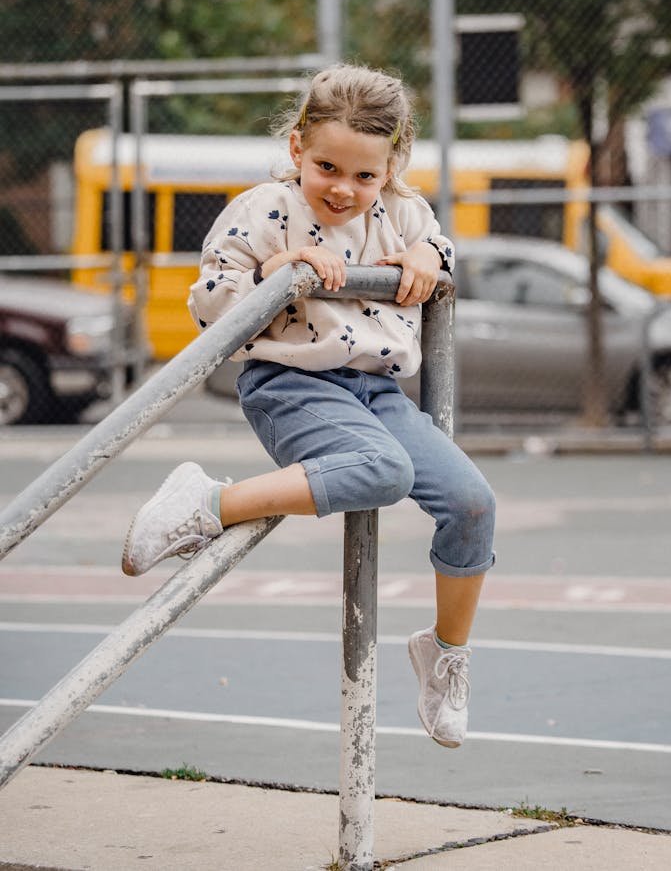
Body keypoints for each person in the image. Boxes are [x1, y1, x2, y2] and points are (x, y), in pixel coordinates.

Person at [121, 63, 496, 749]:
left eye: (365, 175)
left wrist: (425, 256)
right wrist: (274, 275)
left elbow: (441, 245)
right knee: (383, 469)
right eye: (327, 166)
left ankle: (445, 654)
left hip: (377, 392)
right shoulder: (265, 207)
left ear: (392, 165)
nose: (343, 189)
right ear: (298, 148)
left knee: (473, 502)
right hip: (292, 386)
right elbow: (208, 303)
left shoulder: (405, 212)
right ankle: (205, 502)